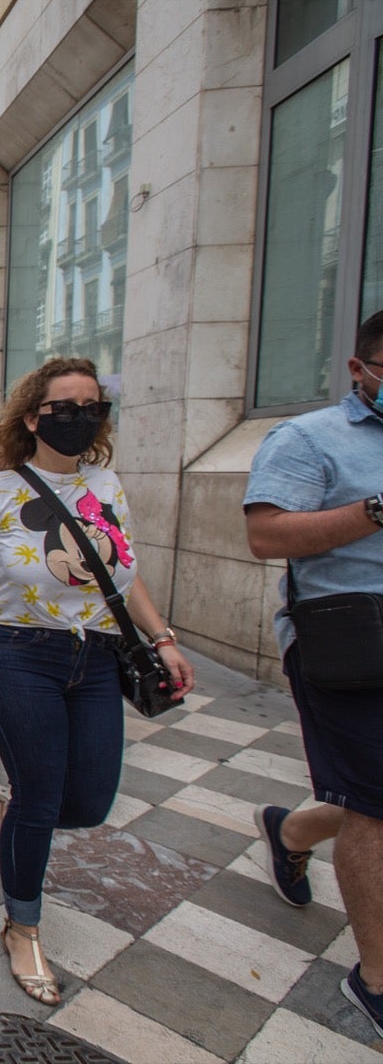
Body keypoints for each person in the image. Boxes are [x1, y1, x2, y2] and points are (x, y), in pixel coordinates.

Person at [0, 357, 194, 1008]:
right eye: (64, 405)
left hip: (99, 659)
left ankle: (7, 815)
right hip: (17, 654)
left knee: (88, 802)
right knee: (42, 796)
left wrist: (162, 638)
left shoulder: (106, 484)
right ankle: (22, 927)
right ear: (32, 416)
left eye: (92, 405)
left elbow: (124, 575)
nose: (80, 416)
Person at [243, 310, 383, 1039]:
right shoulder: (308, 438)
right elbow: (266, 533)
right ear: (360, 370)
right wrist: (374, 510)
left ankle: (291, 829)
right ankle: (376, 975)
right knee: (373, 804)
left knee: (369, 794)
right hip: (349, 641)